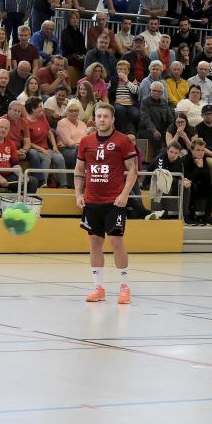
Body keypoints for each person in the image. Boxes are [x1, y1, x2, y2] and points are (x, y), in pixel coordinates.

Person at [75, 102, 138, 304]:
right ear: (95, 118)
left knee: (116, 241)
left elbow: (133, 170)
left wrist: (125, 194)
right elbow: (79, 170)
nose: (102, 119)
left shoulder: (122, 141)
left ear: (112, 119)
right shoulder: (86, 141)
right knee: (95, 242)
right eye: (99, 116)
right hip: (92, 201)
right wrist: (78, 194)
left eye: (106, 116)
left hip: (114, 202)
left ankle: (124, 287)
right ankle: (98, 287)